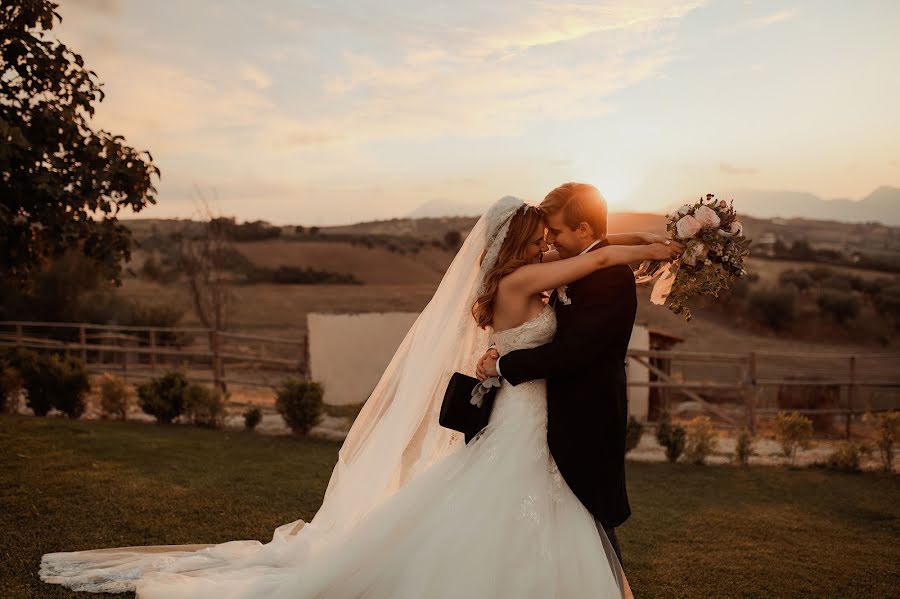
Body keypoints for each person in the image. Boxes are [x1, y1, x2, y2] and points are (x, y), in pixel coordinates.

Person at [40, 193, 680, 598]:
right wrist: (655, 246)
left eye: (552, 233)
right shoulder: (528, 279)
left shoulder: (519, 284)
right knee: (504, 494)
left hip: (530, 412)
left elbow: (581, 286)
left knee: (500, 494)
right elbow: (594, 264)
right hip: (522, 412)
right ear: (518, 242)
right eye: (539, 233)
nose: (547, 242)